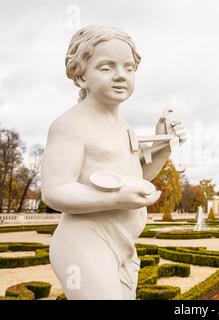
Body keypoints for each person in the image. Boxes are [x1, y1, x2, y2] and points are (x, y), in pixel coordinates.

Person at [41, 25, 186, 300]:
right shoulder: (69, 126)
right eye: (107, 67)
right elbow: (55, 190)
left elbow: (137, 176)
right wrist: (119, 197)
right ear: (81, 75)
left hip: (122, 243)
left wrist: (163, 148)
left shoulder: (124, 126)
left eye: (128, 68)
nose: (121, 76)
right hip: (85, 242)